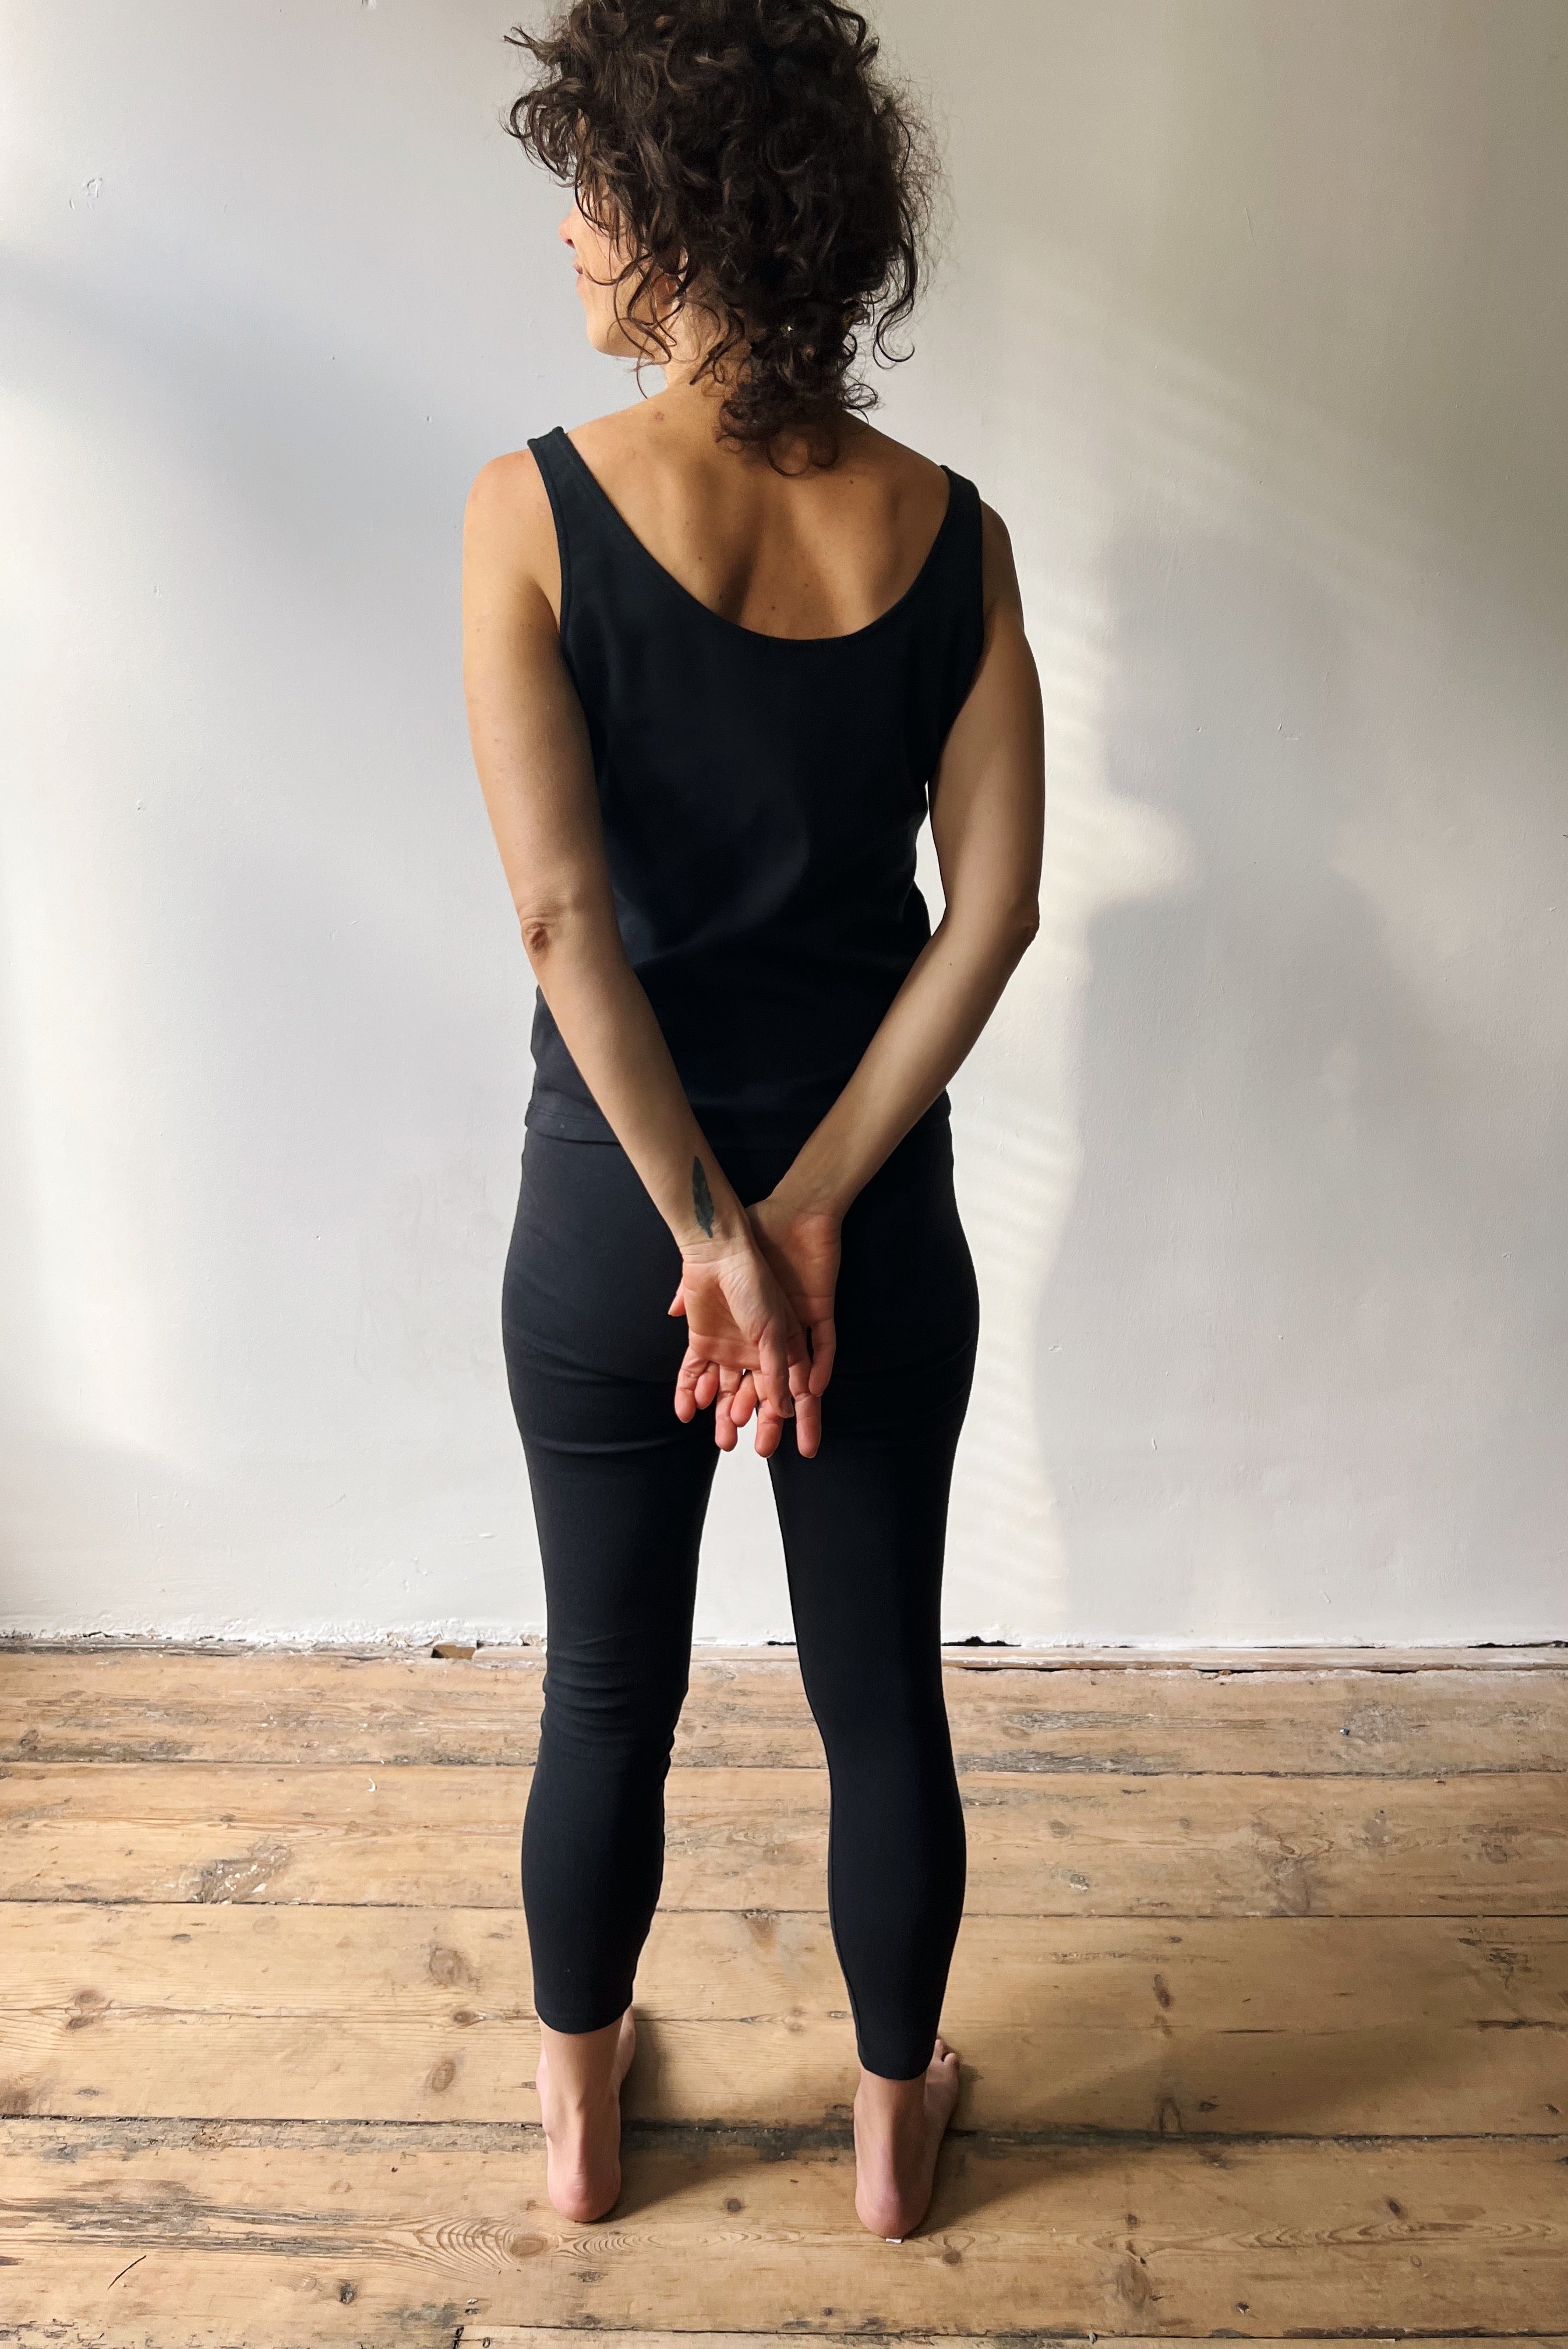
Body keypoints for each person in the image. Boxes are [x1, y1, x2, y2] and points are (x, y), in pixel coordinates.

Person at [461, 0, 1044, 2242]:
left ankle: (581, 2128)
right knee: (879, 1696)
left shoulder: (530, 509)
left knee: (604, 1690)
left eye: (593, 189)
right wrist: (798, 1219)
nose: (572, 235)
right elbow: (988, 917)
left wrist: (703, 1233)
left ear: (683, 217)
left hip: (611, 1232)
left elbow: (559, 920)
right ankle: (893, 2145)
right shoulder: (952, 536)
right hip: (868, 1233)